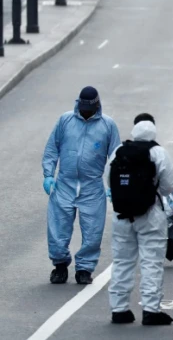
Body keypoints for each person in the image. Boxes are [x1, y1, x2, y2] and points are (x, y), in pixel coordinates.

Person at [42, 86, 121, 285]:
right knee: (57, 228)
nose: (85, 111)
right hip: (64, 183)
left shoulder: (107, 125)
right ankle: (60, 266)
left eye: (89, 108)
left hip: (92, 186)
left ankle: (84, 269)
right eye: (82, 106)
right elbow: (52, 148)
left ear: (96, 105)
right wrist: (48, 175)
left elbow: (116, 158)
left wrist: (114, 184)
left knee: (93, 231)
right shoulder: (65, 120)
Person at [104, 113, 173, 326]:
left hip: (122, 215)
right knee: (151, 262)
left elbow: (109, 180)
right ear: (154, 130)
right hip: (150, 214)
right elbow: (169, 186)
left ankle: (119, 309)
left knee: (122, 262)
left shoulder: (119, 151)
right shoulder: (158, 152)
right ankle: (150, 310)